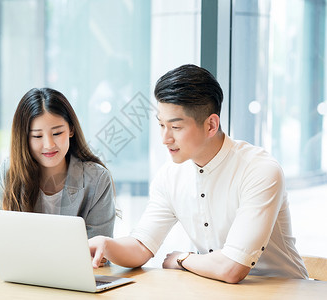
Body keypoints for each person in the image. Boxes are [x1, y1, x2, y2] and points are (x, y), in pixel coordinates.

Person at [88, 64, 308, 283]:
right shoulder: (169, 176)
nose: (165, 138)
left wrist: (183, 259)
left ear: (211, 125)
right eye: (161, 125)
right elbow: (140, 246)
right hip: (217, 291)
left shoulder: (259, 170)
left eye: (176, 127)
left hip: (284, 290)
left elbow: (232, 268)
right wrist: (106, 245)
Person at [0, 87, 116, 239]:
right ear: (24, 138)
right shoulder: (9, 172)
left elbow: (99, 250)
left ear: (71, 130)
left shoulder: (97, 178)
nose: (49, 144)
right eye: (37, 136)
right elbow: (1, 236)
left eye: (57, 133)